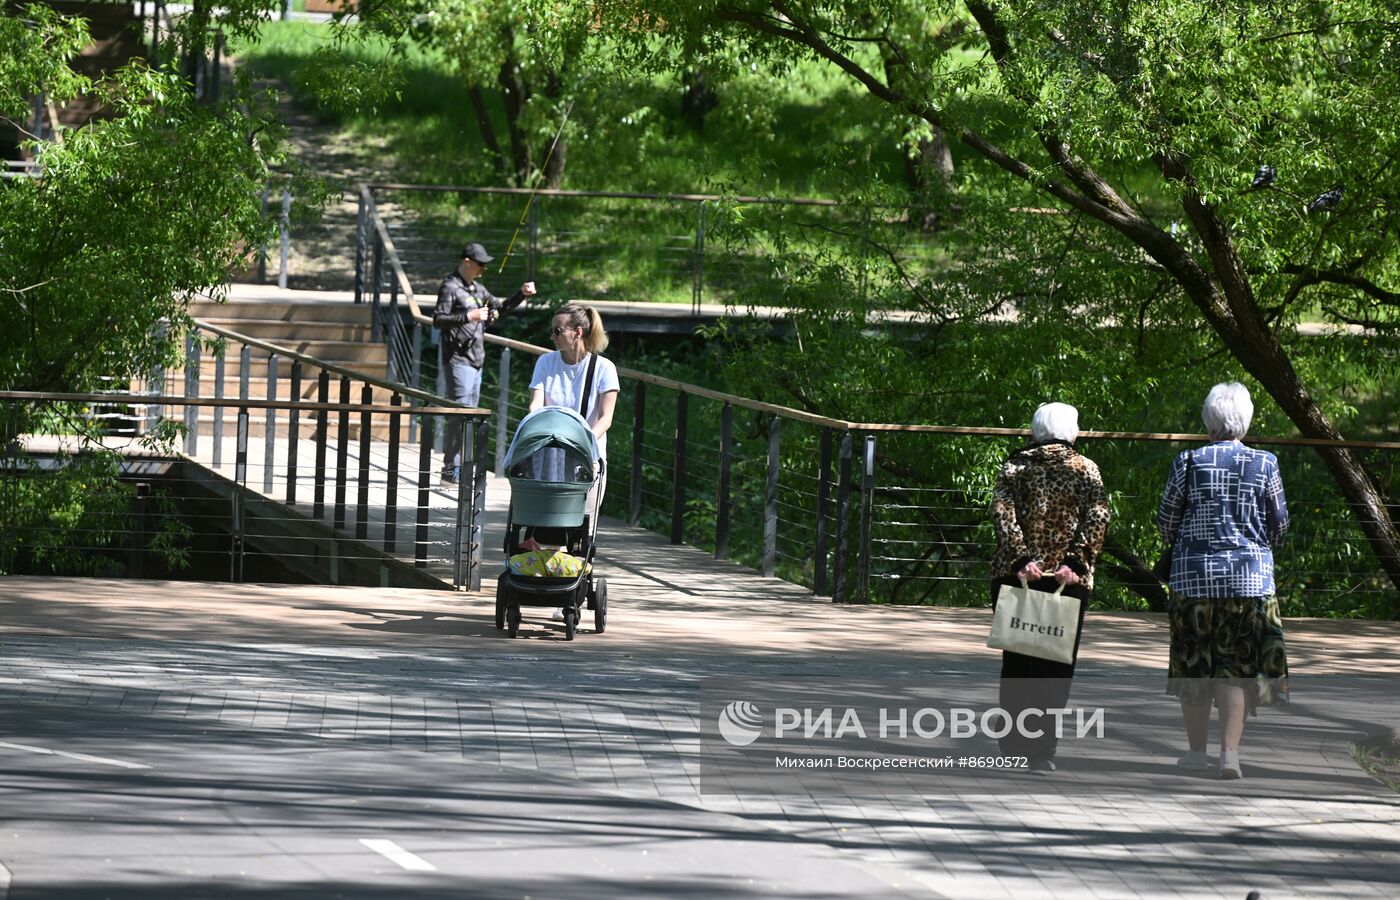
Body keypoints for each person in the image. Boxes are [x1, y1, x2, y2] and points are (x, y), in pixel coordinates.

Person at [1158, 382, 1289, 780]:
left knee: (1195, 665)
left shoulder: (1189, 462)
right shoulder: (1265, 463)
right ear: (1244, 420)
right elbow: (1279, 525)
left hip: (1193, 581)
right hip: (1248, 583)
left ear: (1209, 419)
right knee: (1236, 667)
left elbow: (1166, 521)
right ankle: (1229, 754)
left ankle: (1196, 753)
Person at [989, 402, 1112, 774]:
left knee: (1018, 662)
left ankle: (1012, 744)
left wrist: (1020, 559)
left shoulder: (1014, 467)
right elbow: (1100, 514)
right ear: (1071, 432)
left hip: (1019, 577)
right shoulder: (1086, 469)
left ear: (1035, 431)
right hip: (1066, 581)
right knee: (1054, 668)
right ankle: (1041, 752)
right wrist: (1074, 562)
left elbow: (1001, 513)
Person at [433, 241, 536, 484]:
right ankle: (450, 471)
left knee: (469, 416)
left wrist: (521, 293)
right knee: (460, 415)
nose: (483, 270)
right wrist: (469, 316)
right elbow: (438, 319)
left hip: (476, 361)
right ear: (467, 262)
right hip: (457, 361)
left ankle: (460, 469)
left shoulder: (478, 289)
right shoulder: (450, 286)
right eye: (480, 265)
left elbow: (500, 308)